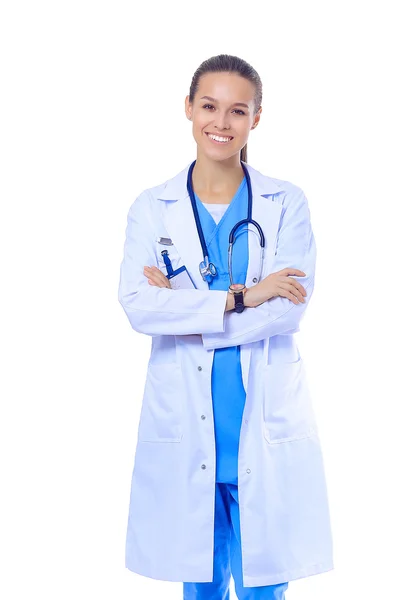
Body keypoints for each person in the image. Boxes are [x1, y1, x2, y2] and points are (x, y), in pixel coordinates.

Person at [118, 54, 334, 600]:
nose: (222, 122)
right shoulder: (152, 208)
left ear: (256, 118)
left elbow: (289, 309)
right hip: (188, 429)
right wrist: (244, 295)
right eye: (209, 106)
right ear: (188, 109)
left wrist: (189, 311)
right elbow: (138, 306)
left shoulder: (286, 203)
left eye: (238, 110)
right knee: (201, 586)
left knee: (267, 588)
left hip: (260, 422)